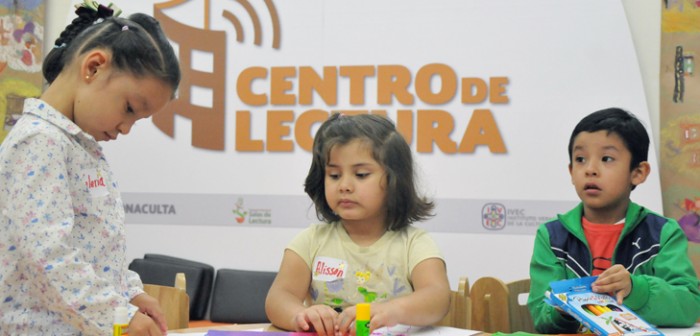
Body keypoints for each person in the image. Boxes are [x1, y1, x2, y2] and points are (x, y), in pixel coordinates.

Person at [0, 1, 180, 335]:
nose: (126, 128)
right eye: (129, 108)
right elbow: (48, 259)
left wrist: (129, 291)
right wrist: (119, 314)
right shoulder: (39, 142)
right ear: (94, 67)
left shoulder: (79, 147)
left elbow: (93, 249)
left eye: (137, 121)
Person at [265, 113, 450, 336]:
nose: (344, 185)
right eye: (334, 175)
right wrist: (299, 315)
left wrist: (391, 311)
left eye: (361, 174)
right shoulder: (310, 240)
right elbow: (278, 298)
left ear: (394, 181)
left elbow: (438, 297)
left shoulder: (415, 243)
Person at [527, 108, 700, 334]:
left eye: (606, 159)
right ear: (571, 171)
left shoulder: (663, 233)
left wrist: (635, 290)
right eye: (580, 159)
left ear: (638, 172)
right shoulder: (552, 236)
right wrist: (561, 308)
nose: (590, 170)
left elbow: (689, 306)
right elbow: (542, 318)